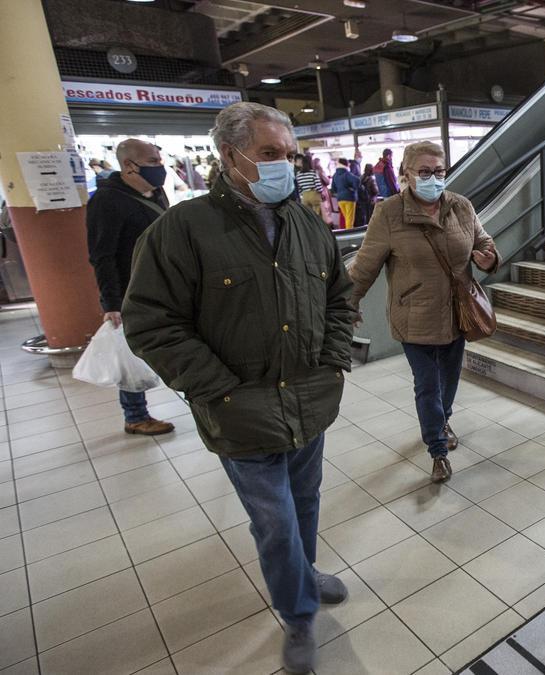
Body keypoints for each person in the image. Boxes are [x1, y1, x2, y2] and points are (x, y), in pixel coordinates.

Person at [122, 102, 356, 675]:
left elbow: (338, 298)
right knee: (273, 518)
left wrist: (331, 363)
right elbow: (152, 322)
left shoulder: (307, 223)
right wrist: (218, 389)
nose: (285, 166)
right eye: (270, 155)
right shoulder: (180, 231)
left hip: (308, 399)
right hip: (241, 410)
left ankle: (304, 572)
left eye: (290, 156)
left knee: (305, 501)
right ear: (230, 156)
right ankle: (298, 613)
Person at [347, 141, 498, 483]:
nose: (434, 178)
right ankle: (437, 450)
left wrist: (489, 256)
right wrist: (347, 304)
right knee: (427, 385)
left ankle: (442, 420)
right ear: (407, 174)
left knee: (449, 380)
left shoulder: (461, 206)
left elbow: (484, 241)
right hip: (414, 317)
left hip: (458, 314)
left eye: (440, 171)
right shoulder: (389, 213)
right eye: (425, 172)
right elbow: (364, 266)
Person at [85, 139, 178, 437]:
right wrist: (111, 301)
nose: (159, 167)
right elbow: (102, 254)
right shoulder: (107, 200)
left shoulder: (157, 193)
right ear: (129, 166)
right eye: (152, 161)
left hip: (166, 286)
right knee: (131, 355)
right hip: (131, 292)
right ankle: (135, 415)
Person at [331, 158, 358, 230]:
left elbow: (333, 189)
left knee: (346, 218)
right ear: (346, 164)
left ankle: (348, 233)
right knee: (350, 219)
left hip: (340, 199)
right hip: (349, 198)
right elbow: (357, 180)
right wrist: (353, 189)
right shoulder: (347, 173)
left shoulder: (335, 175)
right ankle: (350, 235)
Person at [295, 155, 324, 219]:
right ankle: (318, 228)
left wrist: (302, 194)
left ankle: (310, 228)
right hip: (314, 194)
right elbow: (318, 185)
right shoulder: (313, 172)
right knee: (317, 215)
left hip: (304, 196)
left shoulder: (298, 174)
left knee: (308, 216)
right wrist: (321, 192)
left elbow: (299, 187)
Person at [357, 162, 379, 227]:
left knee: (364, 215)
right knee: (370, 216)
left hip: (361, 199)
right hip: (369, 200)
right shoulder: (371, 179)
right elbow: (375, 191)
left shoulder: (360, 178)